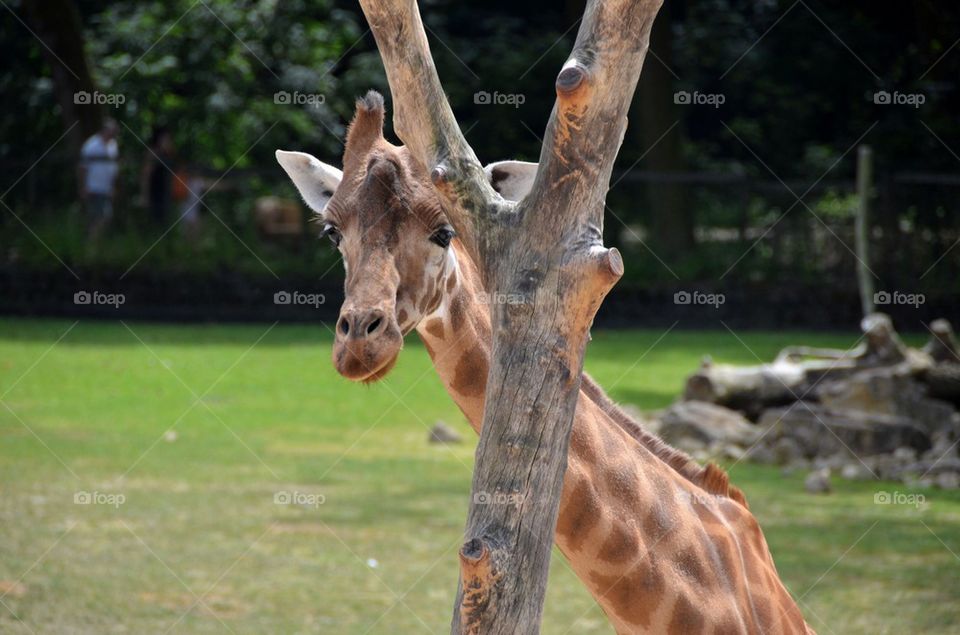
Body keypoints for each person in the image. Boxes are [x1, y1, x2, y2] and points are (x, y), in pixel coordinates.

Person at [78, 119, 119, 241]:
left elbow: (114, 168)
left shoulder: (113, 145)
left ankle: (91, 243)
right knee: (100, 217)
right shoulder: (91, 145)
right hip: (93, 188)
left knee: (104, 217)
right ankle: (90, 243)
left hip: (106, 188)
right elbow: (82, 168)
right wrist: (83, 187)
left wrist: (113, 186)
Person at [139, 126, 175, 226]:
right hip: (154, 195)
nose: (168, 141)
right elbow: (145, 176)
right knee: (154, 224)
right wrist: (144, 196)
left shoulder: (168, 154)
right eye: (166, 138)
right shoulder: (152, 153)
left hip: (165, 195)